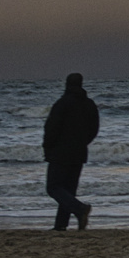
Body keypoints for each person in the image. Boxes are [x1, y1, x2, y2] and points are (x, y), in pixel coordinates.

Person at [42, 72, 99, 231]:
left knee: (53, 187)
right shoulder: (89, 104)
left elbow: (51, 128)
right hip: (80, 152)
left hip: (60, 152)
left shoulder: (62, 103)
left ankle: (80, 209)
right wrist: (83, 142)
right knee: (68, 190)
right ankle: (61, 225)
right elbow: (94, 129)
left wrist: (47, 146)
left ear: (67, 84)